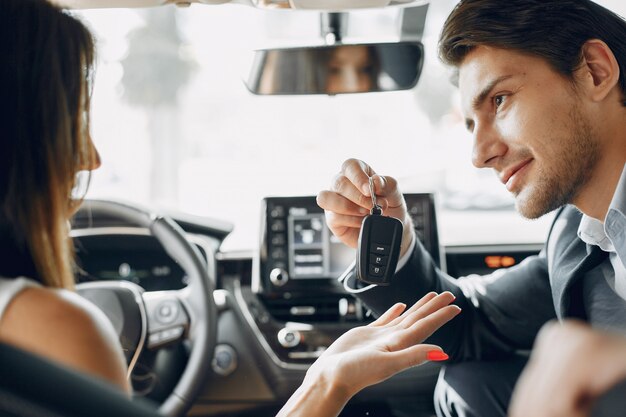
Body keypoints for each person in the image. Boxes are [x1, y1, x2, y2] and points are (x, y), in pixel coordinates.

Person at [0, 1, 461, 416]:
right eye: (73, 122)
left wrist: (327, 377)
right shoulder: (56, 327)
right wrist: (329, 380)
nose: (90, 158)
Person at [317, 0, 626, 416]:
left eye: (499, 100)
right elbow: (473, 324)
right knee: (470, 381)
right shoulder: (578, 231)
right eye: (470, 124)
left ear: (595, 71)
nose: (480, 155)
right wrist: (397, 242)